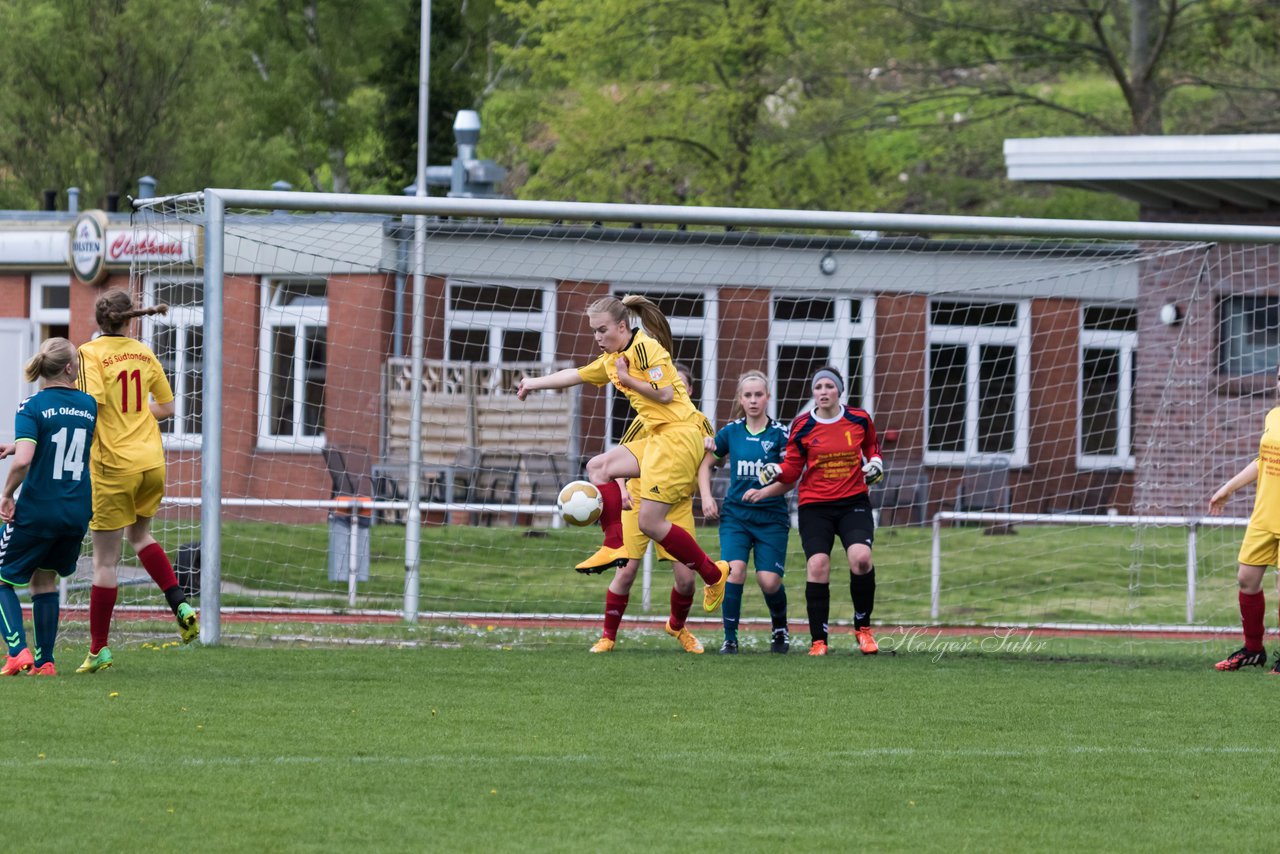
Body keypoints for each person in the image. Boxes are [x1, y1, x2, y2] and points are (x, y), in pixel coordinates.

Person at [518, 295, 730, 611]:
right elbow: (574, 375)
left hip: (681, 438)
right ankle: (614, 545)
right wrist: (531, 383)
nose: (597, 337)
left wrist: (628, 378)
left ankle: (714, 575)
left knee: (650, 523)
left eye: (602, 330)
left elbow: (667, 393)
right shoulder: (612, 359)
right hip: (659, 439)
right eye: (593, 331)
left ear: (622, 325)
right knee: (598, 467)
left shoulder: (646, 348)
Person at [75, 289, 198, 674]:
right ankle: (180, 602)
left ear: (100, 320)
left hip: (114, 465)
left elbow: (89, 406)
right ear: (130, 319)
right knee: (140, 536)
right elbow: (169, 406)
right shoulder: (143, 352)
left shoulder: (88, 354)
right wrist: (137, 413)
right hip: (151, 461)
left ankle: (98, 650)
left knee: (105, 563)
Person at [744, 367, 883, 657]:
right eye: (817, 387)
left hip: (853, 501)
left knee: (861, 558)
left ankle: (863, 629)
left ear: (839, 391)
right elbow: (794, 468)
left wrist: (876, 464)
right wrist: (777, 470)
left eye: (828, 386)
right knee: (818, 564)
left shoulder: (859, 419)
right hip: (815, 505)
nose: (822, 392)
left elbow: (872, 447)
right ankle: (819, 640)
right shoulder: (803, 425)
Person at [587, 366, 712, 654]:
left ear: (688, 391)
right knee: (626, 571)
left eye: (681, 384)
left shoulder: (701, 423)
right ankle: (608, 637)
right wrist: (620, 490)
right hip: (640, 500)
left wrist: (709, 451)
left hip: (677, 505)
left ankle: (677, 627)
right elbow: (621, 455)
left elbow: (706, 462)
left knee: (686, 580)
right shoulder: (649, 417)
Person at [0, 339, 97, 676]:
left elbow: (25, 463)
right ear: (69, 368)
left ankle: (16, 651)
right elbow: (66, 442)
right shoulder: (89, 405)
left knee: (1, 579)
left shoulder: (32, 406)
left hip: (39, 509)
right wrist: (17, 446)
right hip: (75, 513)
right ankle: (45, 662)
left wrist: (7, 494)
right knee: (44, 580)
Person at [701, 370, 792, 654]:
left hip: (771, 517)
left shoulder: (780, 434)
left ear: (768, 397)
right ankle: (730, 638)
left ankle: (780, 627)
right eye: (748, 395)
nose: (753, 400)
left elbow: (790, 478)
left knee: (769, 580)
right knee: (733, 571)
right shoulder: (731, 432)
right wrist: (706, 497)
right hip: (736, 516)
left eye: (759, 395)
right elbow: (705, 465)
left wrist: (765, 492)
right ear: (741, 398)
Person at [1209, 365, 1280, 672]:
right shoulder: (1274, 416)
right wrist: (1227, 488)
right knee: (1246, 579)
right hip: (1264, 515)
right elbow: (1262, 461)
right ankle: (1253, 650)